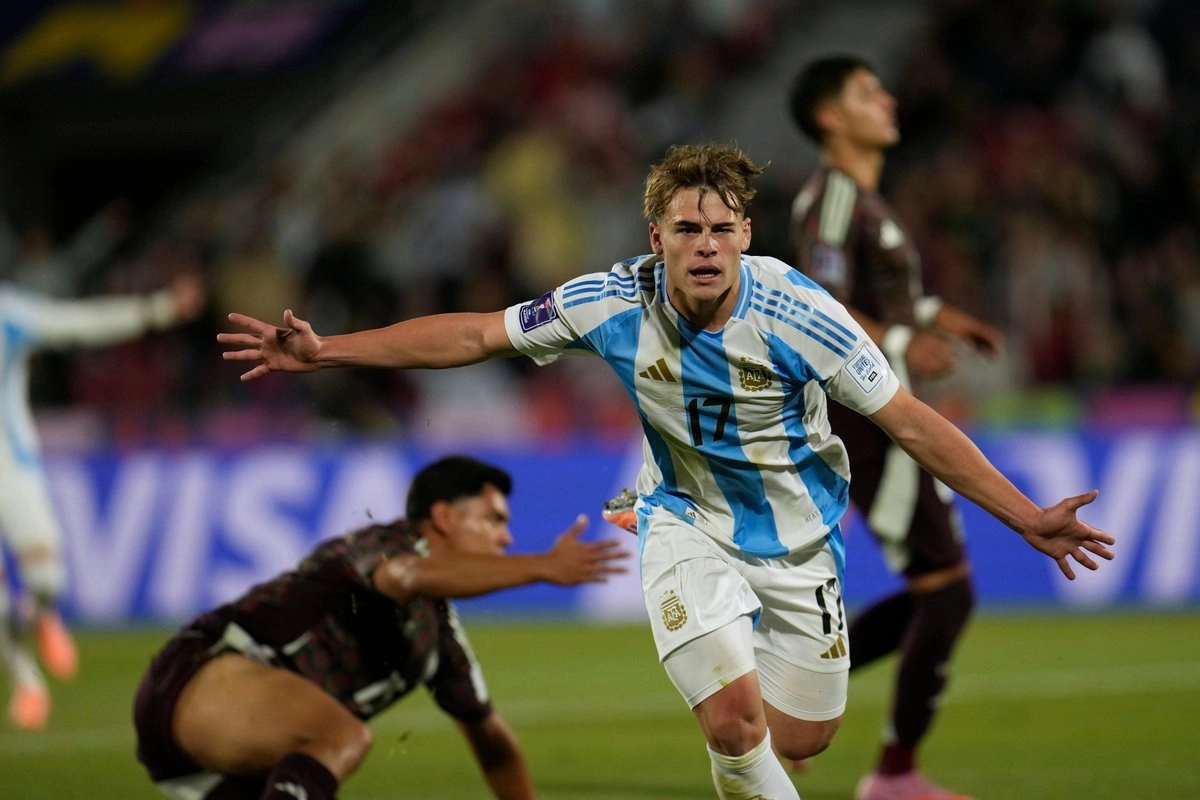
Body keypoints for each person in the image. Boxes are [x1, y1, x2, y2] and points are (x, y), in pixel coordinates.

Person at [219, 142, 1115, 800]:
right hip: (678, 516)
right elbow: (476, 333)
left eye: (721, 229)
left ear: (746, 233)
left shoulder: (802, 313)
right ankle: (679, 588)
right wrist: (329, 350)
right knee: (735, 723)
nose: (705, 246)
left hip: (801, 540)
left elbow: (913, 424)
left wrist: (1025, 514)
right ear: (658, 236)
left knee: (802, 737)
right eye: (686, 229)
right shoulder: (610, 299)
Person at [132, 454, 629, 800]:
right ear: (443, 518)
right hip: (198, 677)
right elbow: (407, 575)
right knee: (341, 737)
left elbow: (491, 742)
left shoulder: (439, 639)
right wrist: (540, 566)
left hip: (220, 756)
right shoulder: (381, 545)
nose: (507, 536)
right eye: (493, 519)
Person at [787, 54, 1004, 800]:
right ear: (829, 116)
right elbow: (822, 304)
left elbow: (889, 296)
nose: (888, 100)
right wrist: (910, 343)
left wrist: (943, 317)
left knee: (935, 590)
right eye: (866, 92)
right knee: (946, 592)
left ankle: (788, 692)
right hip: (869, 417)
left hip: (887, 406)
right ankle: (893, 777)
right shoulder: (834, 201)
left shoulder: (865, 203)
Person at [0, 272, 206, 730]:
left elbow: (79, 322)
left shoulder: (9, 315)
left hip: (10, 467)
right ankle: (27, 682)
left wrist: (158, 309)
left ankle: (40, 612)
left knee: (46, 579)